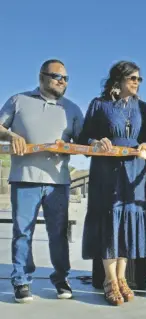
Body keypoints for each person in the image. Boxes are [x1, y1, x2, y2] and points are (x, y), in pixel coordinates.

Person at [0, 59, 84, 303]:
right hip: (24, 180)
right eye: (57, 76)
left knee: (58, 234)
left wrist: (68, 148)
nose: (62, 82)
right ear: (42, 77)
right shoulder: (18, 101)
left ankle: (61, 278)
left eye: (66, 78)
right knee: (22, 233)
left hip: (58, 183)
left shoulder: (72, 109)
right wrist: (11, 134)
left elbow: (82, 143)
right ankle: (22, 281)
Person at [78, 61, 146, 306]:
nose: (137, 82)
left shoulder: (144, 108)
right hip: (106, 173)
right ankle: (109, 280)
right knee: (109, 221)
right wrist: (96, 142)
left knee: (127, 224)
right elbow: (83, 139)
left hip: (134, 173)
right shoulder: (99, 105)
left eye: (139, 79)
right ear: (117, 80)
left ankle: (122, 278)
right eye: (132, 78)